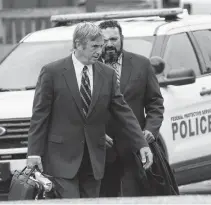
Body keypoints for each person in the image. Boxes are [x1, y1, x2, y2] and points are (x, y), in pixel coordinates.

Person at [26, 22, 153, 199]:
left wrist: (141, 144)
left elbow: (123, 111)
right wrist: (34, 153)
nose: (99, 51)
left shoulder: (107, 74)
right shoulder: (52, 72)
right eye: (94, 46)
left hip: (94, 160)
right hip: (60, 159)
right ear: (78, 44)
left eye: (100, 46)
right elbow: (40, 116)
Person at [98, 20, 164, 197]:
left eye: (114, 39)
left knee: (135, 196)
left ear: (122, 39)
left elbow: (155, 103)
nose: (109, 44)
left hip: (135, 147)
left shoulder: (142, 64)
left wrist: (150, 129)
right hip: (102, 149)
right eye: (104, 40)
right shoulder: (90, 67)